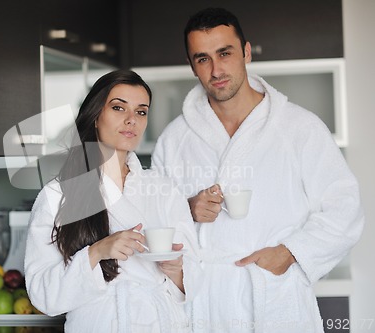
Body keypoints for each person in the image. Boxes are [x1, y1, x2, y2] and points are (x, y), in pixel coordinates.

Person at [151, 7, 364, 333]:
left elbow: (345, 209)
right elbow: (155, 224)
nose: (216, 69)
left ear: (246, 52)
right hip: (206, 307)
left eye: (225, 53)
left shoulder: (299, 127)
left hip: (275, 300)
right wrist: (186, 208)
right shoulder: (174, 139)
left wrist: (290, 253)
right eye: (203, 58)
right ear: (192, 66)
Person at [25, 70, 202, 333]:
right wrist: (97, 252)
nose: (132, 120)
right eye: (119, 108)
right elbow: (44, 296)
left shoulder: (164, 189)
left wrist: (176, 269)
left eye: (141, 112)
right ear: (96, 116)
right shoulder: (58, 196)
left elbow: (196, 280)